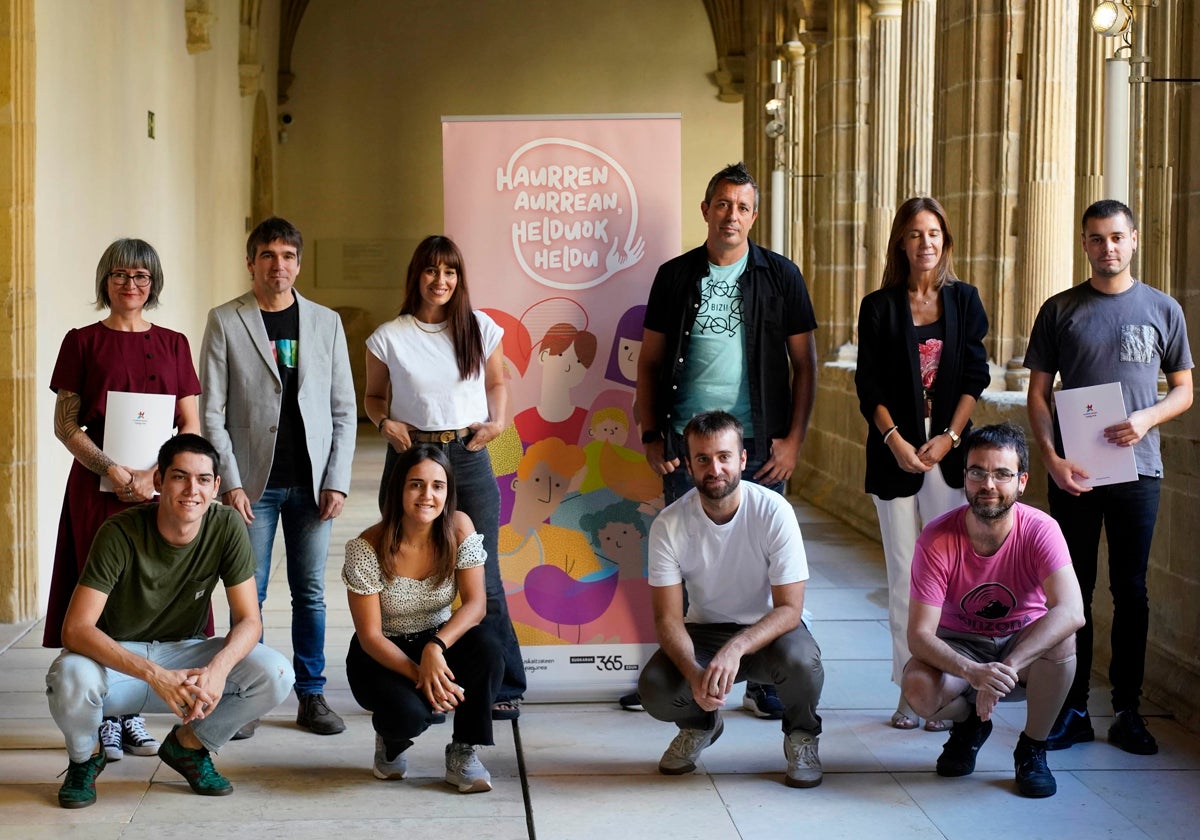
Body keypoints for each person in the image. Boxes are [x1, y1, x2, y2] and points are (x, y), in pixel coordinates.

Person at [636, 161, 818, 719]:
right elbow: (648, 362)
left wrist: (792, 442)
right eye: (722, 203)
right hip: (683, 446)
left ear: (754, 216)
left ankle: (762, 676)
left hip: (758, 445)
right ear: (706, 209)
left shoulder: (781, 276)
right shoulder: (674, 276)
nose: (731, 215)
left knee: (762, 565)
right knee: (687, 562)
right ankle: (688, 673)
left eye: (742, 206)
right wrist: (649, 433)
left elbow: (805, 366)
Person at [1025, 199, 1194, 755]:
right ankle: (1073, 708)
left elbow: (1184, 390)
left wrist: (1147, 417)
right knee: (1074, 592)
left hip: (1140, 471)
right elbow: (1038, 394)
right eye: (1097, 239)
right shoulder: (1060, 310)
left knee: (1132, 590)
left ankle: (1127, 709)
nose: (1108, 248)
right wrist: (1050, 458)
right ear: (1084, 245)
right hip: (1076, 471)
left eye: (1117, 237)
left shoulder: (1163, 309)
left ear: (1134, 239)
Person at [45, 434, 294, 809]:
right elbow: (76, 629)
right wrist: (153, 674)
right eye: (179, 477)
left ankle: (188, 747)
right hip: (119, 664)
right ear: (159, 481)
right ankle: (85, 757)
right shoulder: (119, 532)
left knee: (275, 673)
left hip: (184, 657)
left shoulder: (226, 527)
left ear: (216, 488)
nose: (192, 489)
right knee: (69, 676)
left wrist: (218, 669)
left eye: (203, 479)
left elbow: (249, 621)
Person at [44, 238, 203, 762]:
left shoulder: (175, 343)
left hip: (160, 491)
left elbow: (190, 423)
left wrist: (161, 473)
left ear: (153, 283)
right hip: (96, 491)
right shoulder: (82, 341)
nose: (130, 284)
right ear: (104, 281)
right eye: (119, 275)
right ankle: (105, 718)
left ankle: (132, 713)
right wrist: (111, 467)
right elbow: (65, 423)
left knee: (146, 596)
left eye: (140, 275)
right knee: (101, 597)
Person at [200, 216, 356, 737]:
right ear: (251, 262)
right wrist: (230, 482)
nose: (278, 265)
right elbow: (212, 412)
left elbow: (343, 410)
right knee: (252, 593)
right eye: (268, 255)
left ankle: (311, 695)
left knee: (310, 591)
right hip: (253, 486)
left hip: (312, 483)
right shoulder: (226, 320)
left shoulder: (325, 322)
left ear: (299, 263)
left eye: (288, 256)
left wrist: (336, 477)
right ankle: (247, 695)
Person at [364, 234, 526, 720]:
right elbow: (374, 398)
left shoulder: (479, 327)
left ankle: (503, 685)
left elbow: (497, 383)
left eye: (450, 271)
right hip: (412, 457)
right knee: (407, 570)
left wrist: (496, 422)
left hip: (468, 453)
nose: (441, 281)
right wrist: (383, 423)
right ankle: (410, 674)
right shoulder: (389, 335)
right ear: (416, 275)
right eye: (431, 271)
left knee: (486, 575)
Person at [855, 197, 990, 731]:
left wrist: (950, 438)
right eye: (915, 234)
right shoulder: (878, 306)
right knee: (902, 578)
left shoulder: (965, 301)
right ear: (901, 243)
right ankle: (908, 691)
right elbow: (868, 386)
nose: (925, 243)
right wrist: (895, 441)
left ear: (945, 241)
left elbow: (975, 377)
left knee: (947, 582)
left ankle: (945, 689)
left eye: (934, 233)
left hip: (950, 459)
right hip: (895, 457)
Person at [638, 411, 825, 788]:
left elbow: (790, 608)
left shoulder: (774, 511)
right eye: (703, 459)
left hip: (770, 632)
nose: (715, 468)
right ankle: (699, 725)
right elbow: (668, 620)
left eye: (724, 456)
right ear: (688, 465)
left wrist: (737, 647)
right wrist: (694, 675)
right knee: (655, 687)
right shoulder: (669, 524)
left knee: (803, 662)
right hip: (705, 632)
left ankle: (802, 736)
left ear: (742, 459)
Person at [902, 423, 1085, 798]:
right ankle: (971, 724)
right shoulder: (936, 538)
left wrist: (1006, 669)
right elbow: (919, 636)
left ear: (1021, 481)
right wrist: (973, 672)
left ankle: (1032, 748)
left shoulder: (1041, 530)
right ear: (965, 478)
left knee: (1064, 642)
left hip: (1023, 645)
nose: (988, 484)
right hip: (963, 646)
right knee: (917, 687)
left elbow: (1072, 611)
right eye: (978, 472)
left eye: (1002, 474)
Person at [343, 444, 503, 793]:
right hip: (381, 654)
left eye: (437, 485)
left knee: (488, 647)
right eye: (416, 484)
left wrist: (436, 648)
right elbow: (370, 637)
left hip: (437, 639)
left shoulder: (459, 527)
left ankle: (464, 750)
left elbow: (476, 604)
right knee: (413, 715)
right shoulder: (367, 545)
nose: (427, 495)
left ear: (448, 491)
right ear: (398, 488)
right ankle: (391, 742)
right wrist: (423, 676)